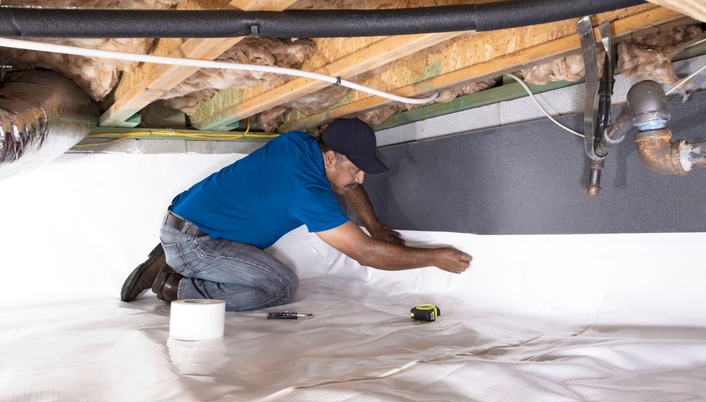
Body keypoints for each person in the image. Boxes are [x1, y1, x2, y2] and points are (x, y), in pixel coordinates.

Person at [121, 117, 472, 311]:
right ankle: (173, 284)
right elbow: (364, 254)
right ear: (331, 157)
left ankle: (172, 256)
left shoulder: (298, 143)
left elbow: (347, 184)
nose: (361, 177)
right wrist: (435, 257)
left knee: (271, 272)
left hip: (190, 218)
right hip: (198, 242)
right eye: (357, 167)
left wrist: (375, 225)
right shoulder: (308, 192)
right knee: (279, 288)